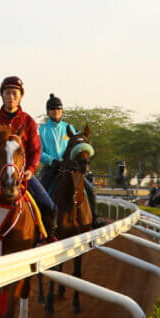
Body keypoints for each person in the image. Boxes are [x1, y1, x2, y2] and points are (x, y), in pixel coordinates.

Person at [0, 77, 56, 236]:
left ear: (20, 96)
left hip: (22, 173)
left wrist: (31, 169)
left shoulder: (28, 121)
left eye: (14, 93)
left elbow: (35, 150)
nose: (11, 97)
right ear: (2, 95)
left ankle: (48, 237)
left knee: (49, 204)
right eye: (7, 93)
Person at [39, 93, 103, 226]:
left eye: (58, 108)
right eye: (52, 109)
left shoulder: (68, 128)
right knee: (40, 193)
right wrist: (52, 161)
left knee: (90, 189)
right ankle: (40, 223)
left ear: (62, 110)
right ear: (48, 111)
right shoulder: (42, 130)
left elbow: (76, 147)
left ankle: (95, 219)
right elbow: (39, 152)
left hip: (70, 168)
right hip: (51, 168)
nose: (56, 111)